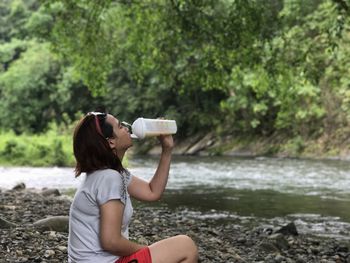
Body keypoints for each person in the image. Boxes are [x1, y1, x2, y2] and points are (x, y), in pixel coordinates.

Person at [68, 111, 198, 263]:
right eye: (119, 126)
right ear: (111, 142)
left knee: (176, 247)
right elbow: (111, 241)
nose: (126, 127)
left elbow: (152, 192)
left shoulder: (112, 174)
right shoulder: (109, 178)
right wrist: (146, 250)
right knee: (185, 245)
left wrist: (167, 150)